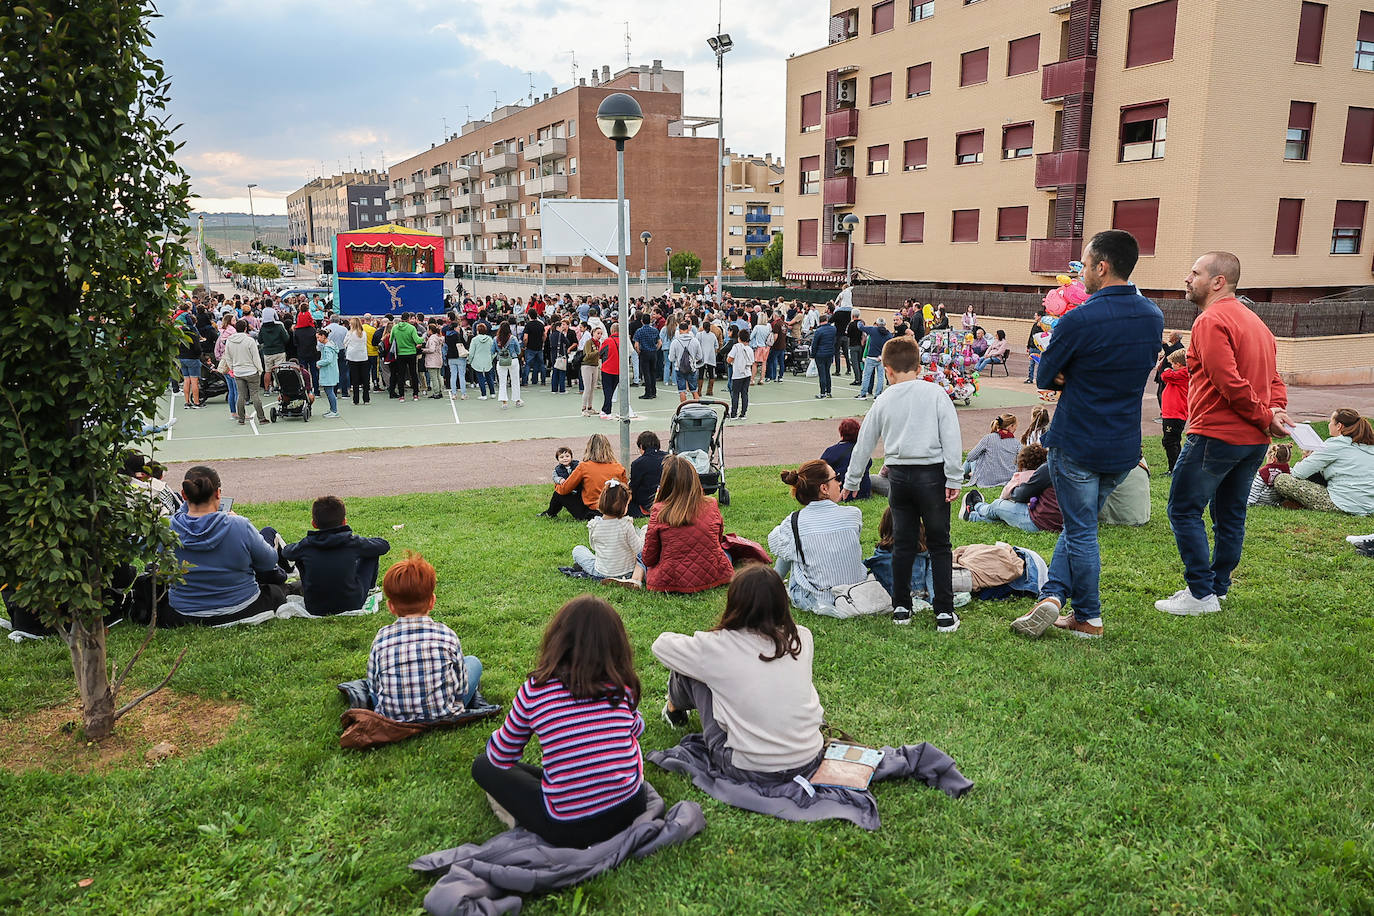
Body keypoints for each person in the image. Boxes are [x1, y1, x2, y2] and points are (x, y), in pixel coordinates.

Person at [1011, 229, 1163, 639]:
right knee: (1080, 524)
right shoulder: (1153, 315)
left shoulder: (1079, 318)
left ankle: (1089, 617)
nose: (1080, 275)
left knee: (1081, 530)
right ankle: (1053, 596)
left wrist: (1072, 374)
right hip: (1123, 446)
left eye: (1084, 263)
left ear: (1102, 266)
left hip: (1078, 440)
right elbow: (1139, 366)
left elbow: (1045, 374)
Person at [1156, 251, 1291, 617]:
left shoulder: (1210, 320)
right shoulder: (1257, 323)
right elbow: (1274, 380)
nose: (1187, 278)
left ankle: (1201, 593)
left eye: (1195, 272)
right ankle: (1218, 588)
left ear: (1218, 281)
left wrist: (1268, 413)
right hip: (1252, 441)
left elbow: (1228, 381)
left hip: (1216, 434)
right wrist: (1273, 412)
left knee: (1183, 509)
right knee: (1230, 514)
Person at [471, 595, 647, 847]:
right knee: (541, 775)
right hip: (631, 809)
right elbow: (637, 729)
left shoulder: (536, 690)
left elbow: (501, 756)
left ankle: (546, 807)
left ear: (556, 639)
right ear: (616, 644)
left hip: (570, 830)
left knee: (483, 765)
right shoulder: (622, 686)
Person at [653, 564, 825, 777]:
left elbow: (661, 645)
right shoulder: (802, 637)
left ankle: (674, 710)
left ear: (734, 602)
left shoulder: (716, 647)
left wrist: (701, 641)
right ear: (782, 601)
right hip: (810, 755)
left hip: (748, 766)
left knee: (689, 668)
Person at [841, 336, 963, 630]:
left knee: (903, 543)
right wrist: (954, 476)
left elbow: (864, 442)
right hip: (932, 476)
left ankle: (901, 608)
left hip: (899, 478)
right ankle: (944, 611)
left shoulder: (884, 398)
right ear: (920, 367)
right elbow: (951, 436)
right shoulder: (935, 394)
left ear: (887, 370)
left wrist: (852, 480)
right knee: (939, 544)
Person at [164, 466, 287, 627]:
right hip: (242, 607)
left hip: (184, 612)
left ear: (184, 495)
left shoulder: (165, 528)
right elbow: (269, 562)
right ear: (218, 493)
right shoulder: (238, 525)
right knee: (276, 591)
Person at [367, 552, 482, 722]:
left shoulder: (382, 638)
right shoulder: (446, 635)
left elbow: (374, 687)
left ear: (391, 606)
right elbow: (461, 689)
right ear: (432, 601)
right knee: (473, 662)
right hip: (443, 714)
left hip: (392, 717)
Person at [767, 460, 867, 612]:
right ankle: (774, 581)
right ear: (824, 488)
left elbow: (774, 543)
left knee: (790, 545)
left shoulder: (794, 521)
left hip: (815, 598)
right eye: (836, 478)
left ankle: (774, 582)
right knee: (792, 543)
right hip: (853, 592)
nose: (839, 483)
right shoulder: (853, 514)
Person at [626, 456, 733, 593]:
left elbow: (649, 558)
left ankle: (635, 579)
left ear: (665, 483)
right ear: (694, 478)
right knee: (725, 551)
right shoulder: (711, 504)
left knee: (642, 555)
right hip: (713, 575)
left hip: (671, 580)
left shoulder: (659, 510)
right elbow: (718, 540)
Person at [281, 496, 391, 615]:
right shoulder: (353, 542)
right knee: (371, 551)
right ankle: (371, 587)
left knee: (300, 556)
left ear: (314, 523)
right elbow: (383, 545)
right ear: (344, 521)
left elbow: (287, 552)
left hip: (314, 606)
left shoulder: (306, 545)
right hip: (352, 603)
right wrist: (366, 542)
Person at [1273, 409, 1374, 515]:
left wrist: (1308, 459)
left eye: (1331, 421)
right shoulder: (1369, 445)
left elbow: (1298, 473)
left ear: (1339, 426)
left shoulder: (1336, 444)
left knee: (1282, 480)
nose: (1329, 424)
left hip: (1344, 504)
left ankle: (1297, 503)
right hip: (1370, 506)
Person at [960, 444, 1059, 534]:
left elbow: (1021, 495)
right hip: (1064, 524)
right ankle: (974, 516)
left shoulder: (1051, 467)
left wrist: (1013, 490)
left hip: (1040, 522)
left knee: (997, 505)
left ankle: (977, 506)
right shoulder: (1071, 466)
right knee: (1005, 516)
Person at [543, 434, 627, 520]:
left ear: (589, 449)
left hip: (591, 511)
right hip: (615, 509)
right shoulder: (619, 467)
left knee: (559, 492)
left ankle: (550, 513)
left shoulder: (584, 466)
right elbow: (626, 491)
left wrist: (557, 485)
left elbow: (565, 489)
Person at [571, 481, 643, 579]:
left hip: (601, 572)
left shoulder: (594, 525)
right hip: (627, 572)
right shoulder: (625, 524)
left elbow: (594, 547)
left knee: (578, 550)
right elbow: (638, 549)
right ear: (623, 506)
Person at [865, 506, 936, 605]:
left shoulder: (881, 555)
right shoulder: (923, 551)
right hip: (921, 592)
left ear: (886, 526)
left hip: (894, 595)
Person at [218, 319, 268, 426]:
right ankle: (261, 418)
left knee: (241, 395)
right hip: (251, 371)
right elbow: (256, 357)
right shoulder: (250, 341)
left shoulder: (230, 341)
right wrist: (260, 369)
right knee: (255, 395)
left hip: (238, 371)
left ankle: (241, 418)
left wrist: (232, 368)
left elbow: (228, 356)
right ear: (245, 328)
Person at [819, 417, 872, 500]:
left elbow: (820, 469)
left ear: (841, 432)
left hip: (841, 492)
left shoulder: (831, 451)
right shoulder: (862, 450)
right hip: (864, 493)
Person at [964, 414, 1021, 488]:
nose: (1016, 428)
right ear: (1011, 426)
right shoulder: (1017, 443)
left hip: (986, 481)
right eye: (1016, 426)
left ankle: (956, 474)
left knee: (979, 455)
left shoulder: (988, 438)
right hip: (1009, 479)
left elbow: (970, 457)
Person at [1159, 349, 1189, 472]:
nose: (1171, 366)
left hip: (1175, 414)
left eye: (1172, 364)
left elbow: (1164, 375)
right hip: (1171, 413)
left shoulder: (1183, 374)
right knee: (1173, 441)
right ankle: (1177, 467)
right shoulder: (1180, 374)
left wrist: (1167, 370)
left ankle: (1174, 469)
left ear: (1178, 364)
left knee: (1170, 441)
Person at [628, 430, 666, 519]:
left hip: (647, 502)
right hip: (668, 499)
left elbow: (634, 487)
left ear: (641, 446)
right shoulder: (670, 458)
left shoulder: (638, 463)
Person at [667, 321, 704, 404]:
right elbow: (700, 356)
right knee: (694, 390)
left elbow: (671, 358)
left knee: (682, 391)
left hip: (679, 368)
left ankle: (684, 408)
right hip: (692, 368)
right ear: (688, 329)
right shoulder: (695, 341)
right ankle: (697, 408)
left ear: (679, 330)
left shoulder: (675, 342)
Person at [1246, 443, 1292, 507]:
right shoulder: (1289, 471)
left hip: (1261, 502)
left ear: (1273, 458)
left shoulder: (1263, 472)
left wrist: (1248, 503)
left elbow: (1255, 490)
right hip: (1275, 502)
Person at [389, 311, 421, 401]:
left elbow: (391, 340)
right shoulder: (411, 328)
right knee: (413, 374)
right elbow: (417, 340)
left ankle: (401, 396)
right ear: (408, 319)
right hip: (411, 353)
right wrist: (423, 338)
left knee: (401, 375)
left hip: (400, 354)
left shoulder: (395, 328)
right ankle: (415, 394)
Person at [492, 321, 523, 410]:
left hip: (501, 361)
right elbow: (518, 351)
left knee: (502, 382)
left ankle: (504, 402)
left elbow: (492, 351)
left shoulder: (496, 339)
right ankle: (517, 400)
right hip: (513, 360)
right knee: (515, 380)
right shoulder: (513, 338)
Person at [725, 327, 753, 420]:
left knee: (735, 394)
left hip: (737, 373)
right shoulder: (749, 348)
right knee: (744, 393)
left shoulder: (736, 347)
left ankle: (733, 413)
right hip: (747, 373)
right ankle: (743, 413)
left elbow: (729, 359)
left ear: (739, 338)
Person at [1154, 331, 1185, 410]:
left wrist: (1164, 344)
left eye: (1171, 335)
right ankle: (1163, 412)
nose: (1169, 336)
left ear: (1175, 338)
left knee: (1162, 394)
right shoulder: (1174, 346)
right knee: (1161, 393)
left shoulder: (1179, 346)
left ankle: (1164, 413)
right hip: (1164, 373)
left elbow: (1171, 355)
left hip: (1169, 374)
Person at [293, 311, 321, 396]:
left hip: (302, 353)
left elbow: (295, 343)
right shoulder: (312, 330)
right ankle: (316, 391)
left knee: (303, 373)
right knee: (314, 372)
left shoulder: (297, 331)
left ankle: (306, 390)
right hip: (312, 353)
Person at [315, 328, 341, 418]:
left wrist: (319, 363)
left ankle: (334, 411)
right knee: (329, 391)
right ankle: (332, 409)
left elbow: (328, 360)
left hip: (329, 372)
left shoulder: (327, 347)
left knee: (329, 391)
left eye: (318, 337)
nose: (318, 339)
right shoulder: (330, 345)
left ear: (323, 336)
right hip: (331, 370)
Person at [633, 316, 660, 400]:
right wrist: (655, 349)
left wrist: (638, 351)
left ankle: (648, 392)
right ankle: (653, 391)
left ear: (642, 321)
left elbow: (636, 345)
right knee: (653, 372)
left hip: (644, 352)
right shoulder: (655, 330)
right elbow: (659, 342)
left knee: (646, 373)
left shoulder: (639, 331)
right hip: (653, 352)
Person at [598, 322, 621, 418]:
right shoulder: (623, 341)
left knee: (607, 390)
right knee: (611, 390)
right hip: (618, 369)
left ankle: (607, 410)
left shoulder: (608, 341)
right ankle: (605, 409)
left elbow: (600, 353)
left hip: (607, 368)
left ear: (612, 330)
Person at [345, 318, 370, 406]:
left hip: (353, 357)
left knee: (355, 380)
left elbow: (345, 343)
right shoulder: (364, 333)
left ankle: (356, 400)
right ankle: (366, 399)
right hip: (363, 357)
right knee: (365, 379)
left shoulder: (350, 333)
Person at [810, 314, 836, 399]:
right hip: (830, 353)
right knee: (827, 372)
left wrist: (812, 355)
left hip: (820, 354)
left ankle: (822, 392)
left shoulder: (819, 331)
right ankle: (828, 391)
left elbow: (814, 344)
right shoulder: (833, 329)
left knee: (822, 373)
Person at [579, 325, 603, 415]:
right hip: (587, 366)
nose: (599, 335)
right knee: (587, 388)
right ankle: (583, 408)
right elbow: (588, 354)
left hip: (595, 365)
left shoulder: (599, 343)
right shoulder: (589, 342)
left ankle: (590, 407)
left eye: (601, 334)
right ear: (593, 333)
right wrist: (598, 351)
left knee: (592, 388)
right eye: (598, 333)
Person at [469, 321, 496, 400]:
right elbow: (493, 351)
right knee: (489, 377)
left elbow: (471, 352)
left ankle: (483, 394)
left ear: (477, 330)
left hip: (477, 361)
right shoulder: (490, 339)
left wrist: (469, 361)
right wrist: (491, 358)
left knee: (480, 378)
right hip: (488, 360)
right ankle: (492, 393)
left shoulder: (474, 340)